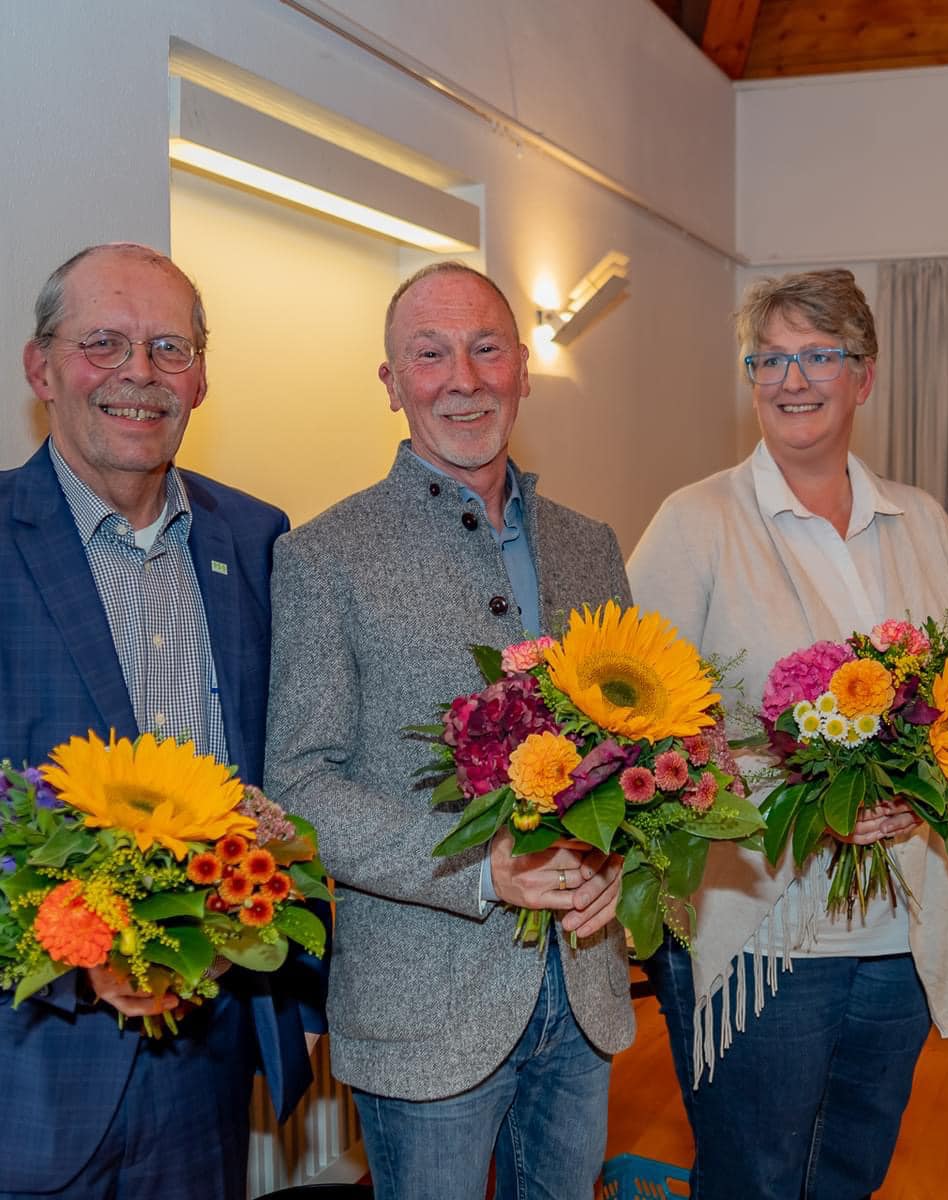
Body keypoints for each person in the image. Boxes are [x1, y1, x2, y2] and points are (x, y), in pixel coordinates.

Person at [627, 269, 948, 1199]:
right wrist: (806, 801)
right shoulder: (696, 522)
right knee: (754, 1176)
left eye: (818, 356)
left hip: (902, 930)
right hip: (763, 929)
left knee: (852, 1171)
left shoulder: (927, 527)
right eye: (771, 360)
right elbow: (639, 733)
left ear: (864, 375)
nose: (792, 380)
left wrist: (919, 788)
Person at [264, 262, 635, 1200]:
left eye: (485, 349)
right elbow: (299, 784)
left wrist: (621, 856)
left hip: (585, 990)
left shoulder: (590, 544)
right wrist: (482, 867)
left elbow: (638, 749)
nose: (462, 379)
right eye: (429, 355)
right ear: (391, 384)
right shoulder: (323, 555)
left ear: (522, 371)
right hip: (423, 1008)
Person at [0, 243, 323, 1199]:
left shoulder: (259, 539)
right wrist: (81, 948)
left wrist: (301, 980)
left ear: (202, 378)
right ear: (41, 367)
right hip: (29, 1057)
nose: (139, 373)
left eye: (169, 348)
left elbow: (292, 768)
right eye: (104, 342)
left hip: (206, 1050)